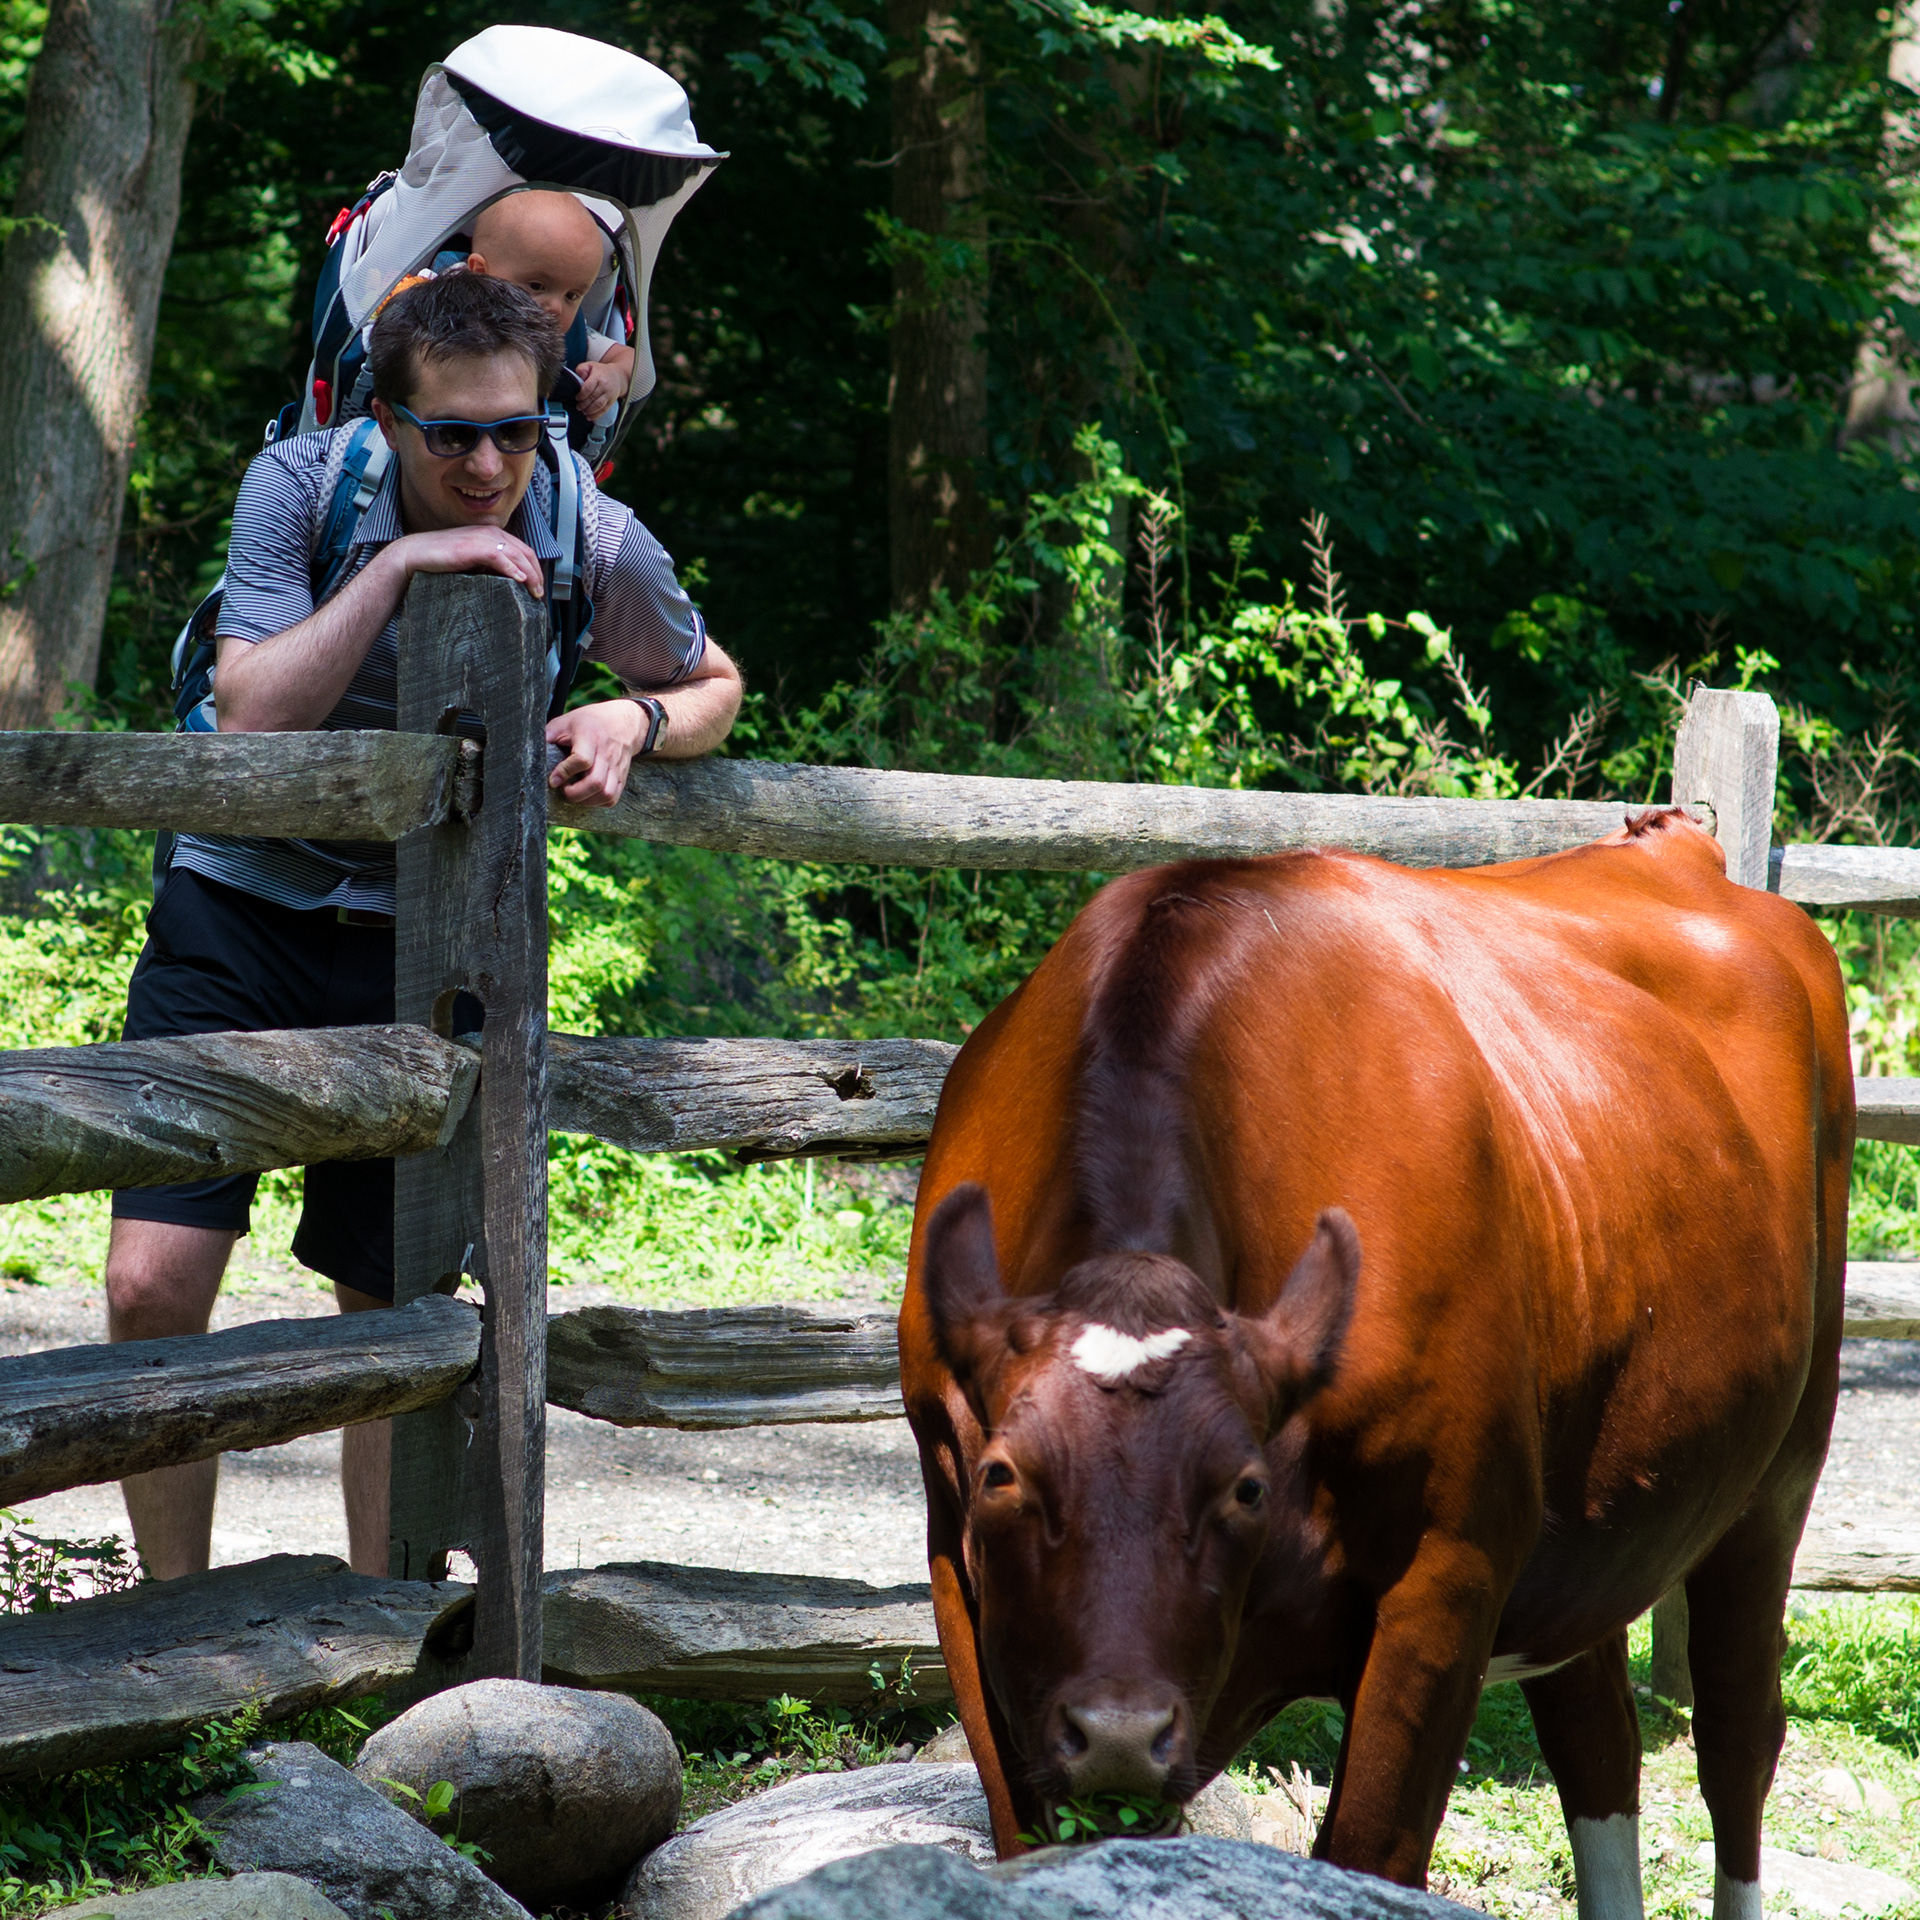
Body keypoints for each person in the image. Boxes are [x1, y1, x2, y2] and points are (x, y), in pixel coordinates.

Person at [105, 272, 742, 1581]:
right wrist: (402, 565)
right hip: (238, 901)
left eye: (518, 430)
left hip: (427, 937)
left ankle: (389, 1629)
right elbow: (253, 712)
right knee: (151, 1285)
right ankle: (168, 1627)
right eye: (452, 435)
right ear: (388, 420)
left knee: (393, 1304)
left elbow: (713, 683)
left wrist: (637, 719)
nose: (489, 465)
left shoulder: (591, 530)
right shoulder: (300, 486)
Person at [465, 190, 635, 422]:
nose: (555, 308)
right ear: (480, 273)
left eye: (571, 296)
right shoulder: (442, 307)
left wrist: (616, 376)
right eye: (536, 286)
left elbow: (632, 361)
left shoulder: (570, 337)